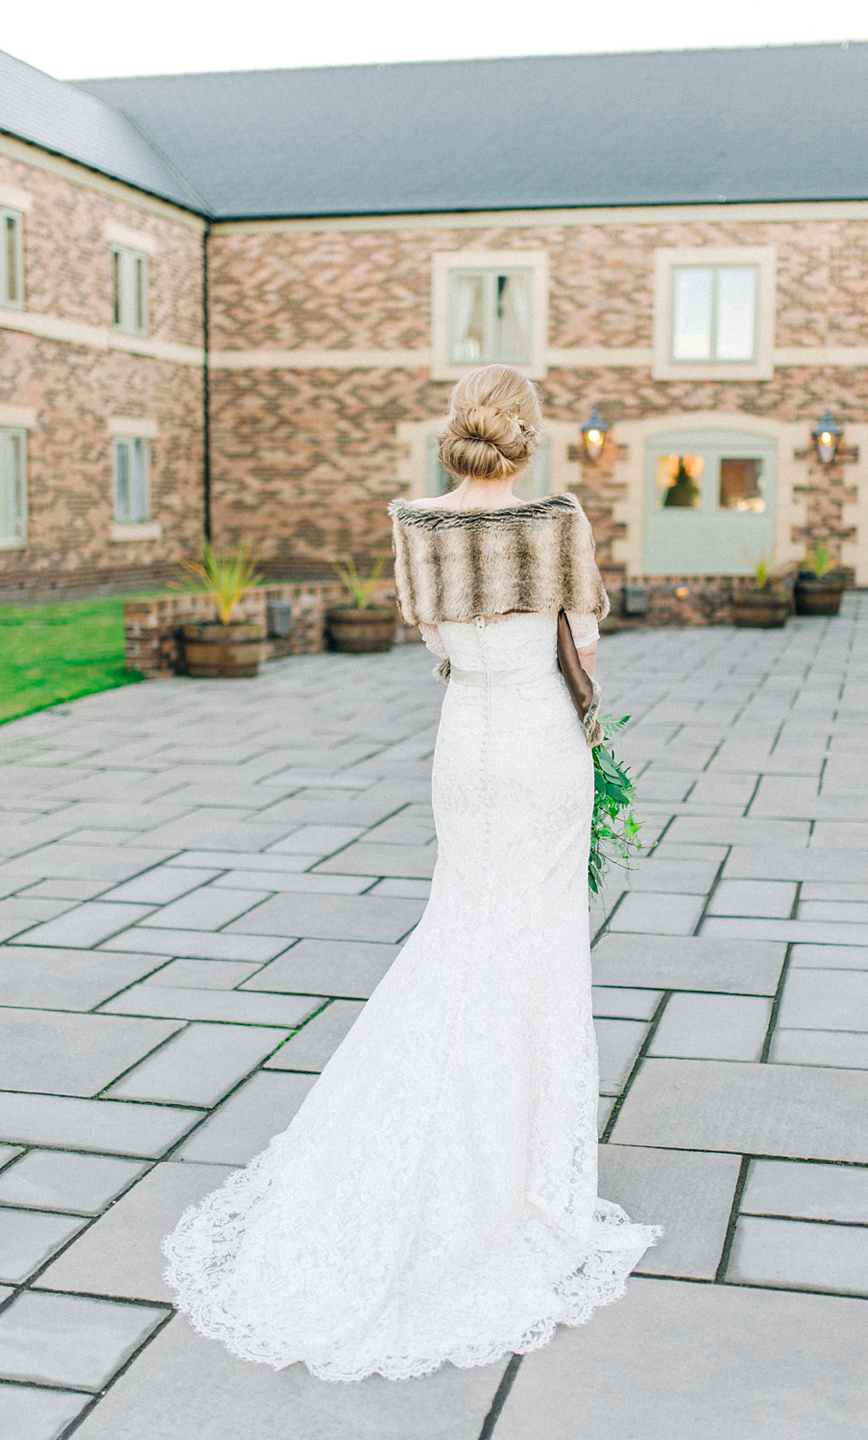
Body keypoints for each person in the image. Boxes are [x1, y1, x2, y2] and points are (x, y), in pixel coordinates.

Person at [162, 363, 660, 1384]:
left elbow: (430, 637)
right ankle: (513, 1174)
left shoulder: (413, 523)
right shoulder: (558, 521)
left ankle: (429, 1119)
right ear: (525, 437)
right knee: (533, 952)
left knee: (461, 930)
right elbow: (588, 652)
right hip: (539, 750)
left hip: (464, 750)